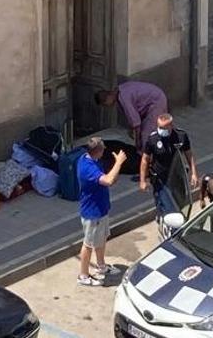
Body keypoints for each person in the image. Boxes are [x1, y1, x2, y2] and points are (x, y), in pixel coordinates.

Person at [77, 138, 126, 287]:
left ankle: (101, 265)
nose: (104, 151)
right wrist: (119, 162)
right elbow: (108, 181)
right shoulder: (87, 168)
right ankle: (83, 275)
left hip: (101, 208)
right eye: (103, 149)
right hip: (92, 213)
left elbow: (110, 179)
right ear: (97, 151)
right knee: (88, 244)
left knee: (102, 238)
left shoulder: (91, 160)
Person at [140, 114, 199, 222]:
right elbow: (145, 160)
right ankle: (166, 222)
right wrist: (143, 180)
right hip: (161, 178)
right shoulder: (153, 139)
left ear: (171, 126)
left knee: (179, 202)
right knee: (166, 205)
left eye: (163, 128)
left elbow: (189, 155)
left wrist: (194, 173)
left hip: (177, 176)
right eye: (159, 127)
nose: (161, 130)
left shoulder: (181, 136)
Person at [95, 81, 168, 150]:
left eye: (105, 105)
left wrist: (138, 141)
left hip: (156, 101)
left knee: (146, 133)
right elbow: (132, 116)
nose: (107, 107)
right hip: (156, 96)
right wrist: (132, 128)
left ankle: (146, 157)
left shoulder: (123, 98)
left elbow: (136, 122)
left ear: (107, 98)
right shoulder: (119, 90)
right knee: (155, 127)